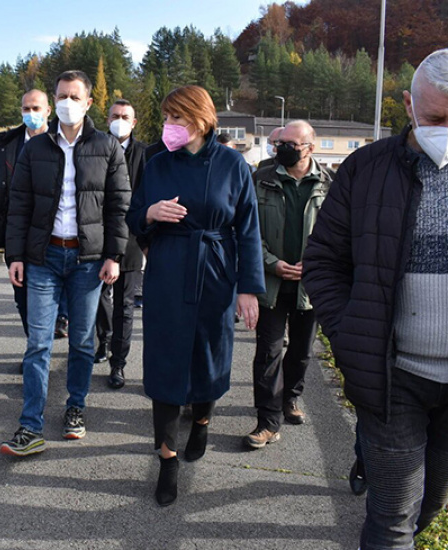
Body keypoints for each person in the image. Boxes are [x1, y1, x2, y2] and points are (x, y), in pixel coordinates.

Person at [302, 47, 448, 549]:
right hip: (393, 376)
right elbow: (323, 261)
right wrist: (349, 334)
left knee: (432, 503)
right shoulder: (366, 169)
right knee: (392, 519)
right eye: (436, 118)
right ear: (409, 106)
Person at [126, 85, 264, 506]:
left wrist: (248, 288)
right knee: (165, 360)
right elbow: (134, 216)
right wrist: (150, 214)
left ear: (202, 120)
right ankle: (167, 458)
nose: (168, 125)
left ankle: (202, 420)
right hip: (168, 271)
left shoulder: (232, 164)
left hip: (216, 270)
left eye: (177, 118)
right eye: (166, 117)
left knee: (209, 353)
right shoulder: (156, 163)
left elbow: (248, 230)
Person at [0, 70, 130, 457]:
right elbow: (19, 206)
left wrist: (114, 255)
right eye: (61, 96)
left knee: (82, 341)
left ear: (88, 102)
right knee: (38, 343)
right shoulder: (35, 148)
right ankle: (30, 425)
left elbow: (119, 206)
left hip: (88, 260)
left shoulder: (107, 146)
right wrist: (15, 256)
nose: (66, 103)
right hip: (43, 257)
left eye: (74, 97)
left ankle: (76, 406)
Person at [243, 120, 333, 449]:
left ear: (310, 147)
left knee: (301, 352)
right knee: (268, 352)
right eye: (281, 143)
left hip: (311, 285)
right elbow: (248, 230)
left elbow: (338, 234)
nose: (283, 148)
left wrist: (314, 264)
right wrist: (272, 263)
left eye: (291, 144)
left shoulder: (330, 184)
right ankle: (267, 421)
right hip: (271, 282)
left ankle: (290, 397)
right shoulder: (261, 179)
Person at [0, 89, 68, 349]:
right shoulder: (7, 146)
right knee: (22, 296)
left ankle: (55, 327)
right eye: (26, 109)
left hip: (52, 233)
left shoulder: (62, 141)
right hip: (15, 231)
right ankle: (37, 347)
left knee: (53, 292)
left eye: (36, 108)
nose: (31, 114)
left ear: (48, 111)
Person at [93, 99, 146, 390]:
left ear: (134, 122)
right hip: (97, 235)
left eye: (125, 116)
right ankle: (104, 339)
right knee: (98, 297)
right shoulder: (95, 147)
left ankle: (119, 363)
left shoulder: (144, 154)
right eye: (115, 115)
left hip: (131, 237)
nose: (120, 120)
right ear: (107, 118)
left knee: (125, 305)